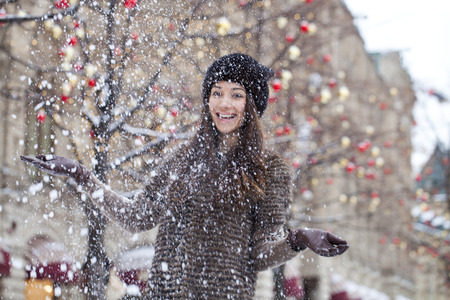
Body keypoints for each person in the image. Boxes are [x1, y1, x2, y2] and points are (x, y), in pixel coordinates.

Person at [21, 53, 348, 299]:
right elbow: (136, 217)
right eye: (216, 92)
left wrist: (298, 239)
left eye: (236, 94)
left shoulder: (270, 170)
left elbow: (259, 254)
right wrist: (81, 175)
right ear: (207, 100)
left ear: (252, 104)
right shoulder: (181, 161)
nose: (224, 103)